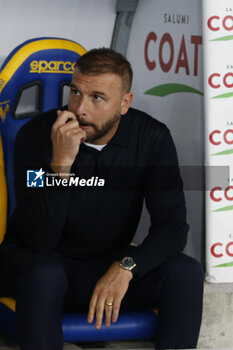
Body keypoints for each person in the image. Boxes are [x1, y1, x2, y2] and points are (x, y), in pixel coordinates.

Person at [0, 48, 204, 350]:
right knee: (46, 273)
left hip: (105, 265)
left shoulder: (151, 138)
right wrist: (61, 166)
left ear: (124, 103)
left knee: (186, 271)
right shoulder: (38, 135)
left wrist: (126, 266)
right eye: (75, 92)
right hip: (39, 264)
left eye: (97, 97)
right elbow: (39, 239)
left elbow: (172, 229)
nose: (81, 108)